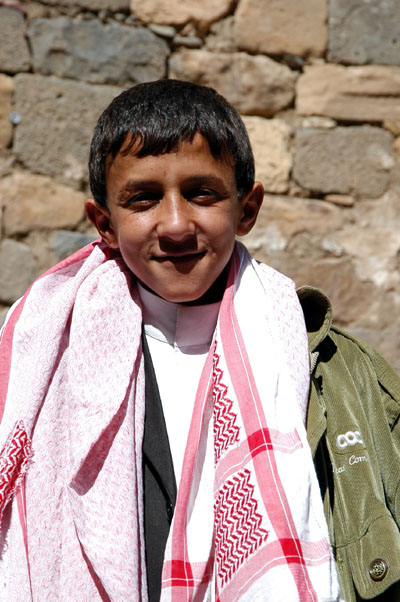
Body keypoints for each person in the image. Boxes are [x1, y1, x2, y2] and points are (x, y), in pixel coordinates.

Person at [0, 80, 398, 602]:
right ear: (105, 224)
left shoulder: (337, 372)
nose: (175, 225)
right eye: (143, 199)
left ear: (247, 209)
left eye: (201, 193)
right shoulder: (41, 364)